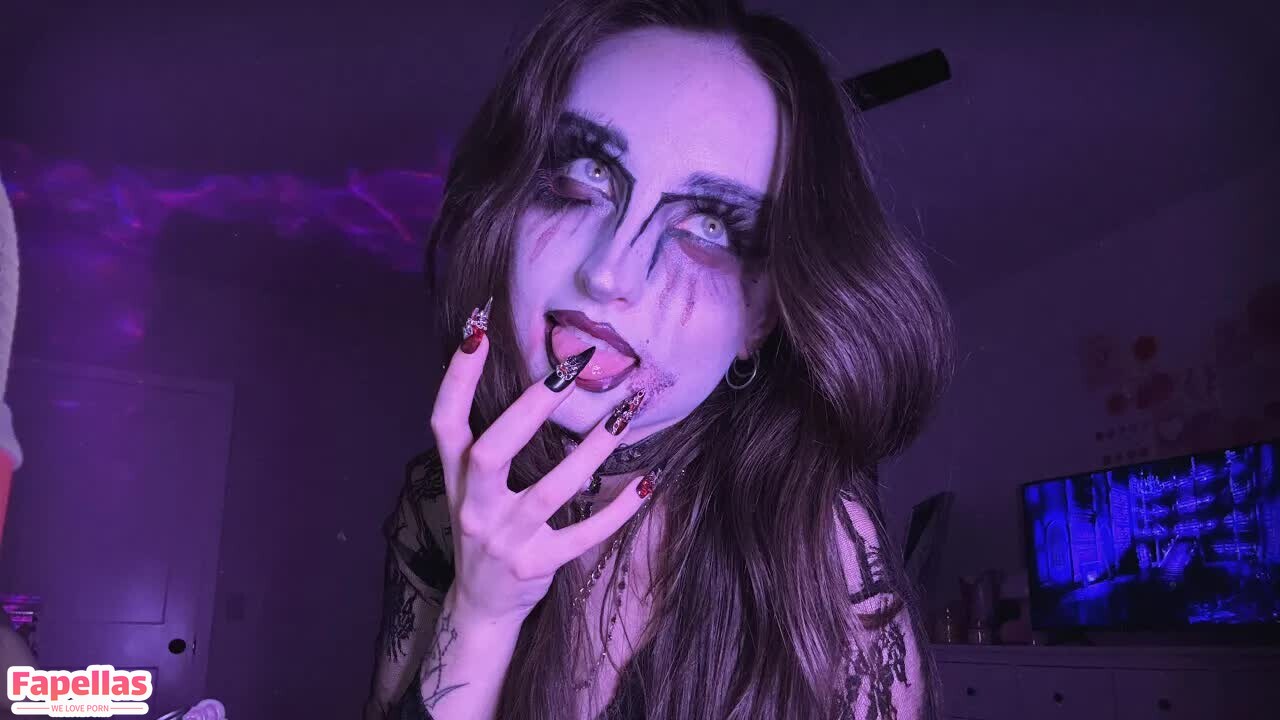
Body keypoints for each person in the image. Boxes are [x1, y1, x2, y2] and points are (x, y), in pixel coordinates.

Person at [365, 0, 952, 718]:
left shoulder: (819, 559)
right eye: (583, 177)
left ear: (761, 317)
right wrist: (481, 616)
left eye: (709, 226)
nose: (609, 273)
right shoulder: (442, 502)